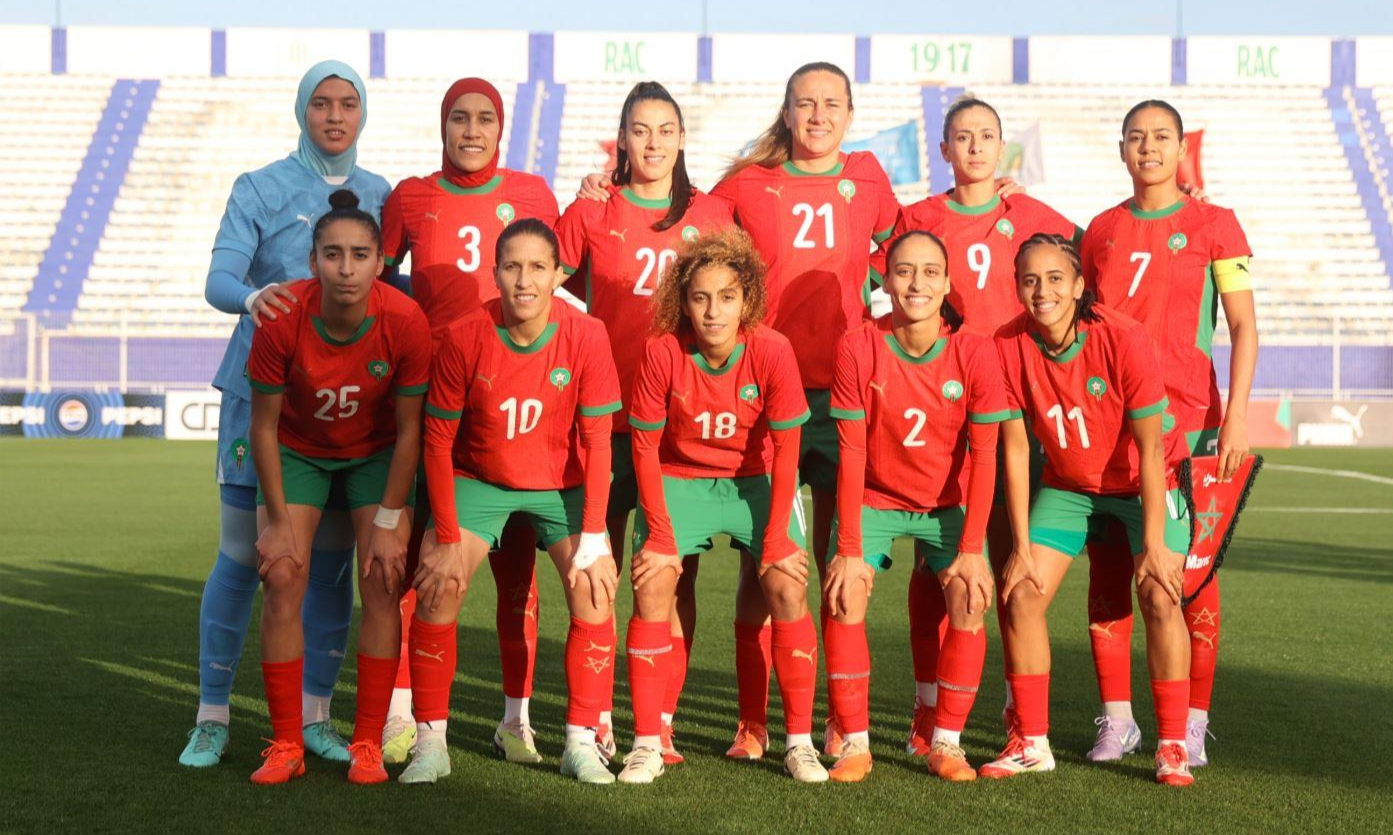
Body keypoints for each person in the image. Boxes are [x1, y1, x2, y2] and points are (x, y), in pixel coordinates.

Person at [181, 61, 390, 768]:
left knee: (329, 563)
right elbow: (219, 278)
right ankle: (212, 716)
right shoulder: (261, 186)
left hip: (344, 407)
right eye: (321, 103)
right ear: (302, 111)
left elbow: (399, 286)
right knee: (247, 554)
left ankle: (314, 717)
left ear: (362, 113)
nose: (334, 116)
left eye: (347, 103)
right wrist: (252, 297)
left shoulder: (383, 195)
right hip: (261, 395)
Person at [887, 97, 1081, 756]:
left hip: (1019, 408)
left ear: (1002, 147)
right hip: (944, 409)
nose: (974, 147)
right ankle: (928, 709)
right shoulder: (919, 217)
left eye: (986, 136)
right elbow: (878, 282)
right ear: (944, 149)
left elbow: (1098, 255)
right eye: (962, 137)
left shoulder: (1032, 214)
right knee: (935, 566)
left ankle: (1016, 715)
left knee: (1006, 564)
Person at [400, 219, 623, 785]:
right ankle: (431, 741)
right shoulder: (464, 335)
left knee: (594, 587)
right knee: (438, 583)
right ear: (495, 273)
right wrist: (445, 535)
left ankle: (580, 742)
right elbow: (438, 441)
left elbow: (598, 441)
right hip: (481, 479)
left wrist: (594, 536)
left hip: (562, 484)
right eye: (512, 267)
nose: (525, 280)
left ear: (559, 275)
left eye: (538, 267)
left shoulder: (587, 334)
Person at [378, 77, 561, 764]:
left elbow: (557, 278)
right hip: (432, 404)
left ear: (501, 127)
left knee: (518, 576)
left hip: (513, 407)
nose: (472, 129)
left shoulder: (533, 194)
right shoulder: (410, 196)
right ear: (443, 125)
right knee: (420, 564)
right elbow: (378, 280)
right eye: (460, 117)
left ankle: (515, 719)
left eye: (485, 117)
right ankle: (401, 712)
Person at [554, 80, 734, 766]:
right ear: (622, 138)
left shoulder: (712, 214)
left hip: (678, 431)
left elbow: (737, 305)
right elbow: (539, 282)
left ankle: (658, 722)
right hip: (602, 421)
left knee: (673, 575)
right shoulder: (593, 208)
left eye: (664, 130)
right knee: (594, 572)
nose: (652, 143)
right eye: (640, 129)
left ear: (681, 138)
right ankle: (597, 719)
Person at [1079, 100, 1257, 767]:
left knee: (1191, 579)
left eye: (1160, 137)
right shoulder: (1100, 230)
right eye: (1135, 137)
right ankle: (1118, 720)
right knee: (1109, 570)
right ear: (1121, 149)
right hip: (1108, 430)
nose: (1147, 147)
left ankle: (1191, 722)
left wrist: (1234, 415)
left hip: (1190, 429)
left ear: (1182, 149)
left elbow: (1243, 326)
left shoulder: (1217, 224)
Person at [982, 233, 1195, 787]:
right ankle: (1032, 743)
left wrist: (1154, 545)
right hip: (1070, 486)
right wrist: (1021, 547)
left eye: (1055, 278)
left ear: (1079, 286)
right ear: (1017, 288)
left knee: (1159, 593)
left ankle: (1173, 743)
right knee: (1020, 594)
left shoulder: (1122, 337)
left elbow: (1151, 448)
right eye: (1030, 280)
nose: (1042, 291)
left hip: (1143, 483)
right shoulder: (1008, 343)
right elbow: (1016, 448)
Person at [244, 190, 430, 785]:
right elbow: (263, 426)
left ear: (380, 262)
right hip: (299, 451)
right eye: (332, 254)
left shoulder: (405, 321)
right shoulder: (282, 320)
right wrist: (278, 522)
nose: (345, 268)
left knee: (383, 576)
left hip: (374, 456)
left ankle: (368, 743)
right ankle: (286, 744)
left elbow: (410, 431)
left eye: (359, 255)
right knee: (281, 575)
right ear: (313, 261)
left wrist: (389, 521)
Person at [624, 227, 822, 783]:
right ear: (683, 302)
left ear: (747, 300)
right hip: (679, 477)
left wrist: (777, 537)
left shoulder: (772, 349)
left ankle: (796, 742)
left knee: (785, 584)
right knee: (654, 583)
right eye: (701, 297)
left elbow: (788, 447)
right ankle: (649, 739)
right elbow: (644, 446)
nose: (713, 311)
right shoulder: (663, 351)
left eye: (727, 297)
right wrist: (660, 534)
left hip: (755, 478)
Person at [823, 230, 1008, 782]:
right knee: (844, 593)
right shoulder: (859, 345)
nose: (917, 283)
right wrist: (849, 548)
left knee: (970, 595)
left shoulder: (975, 351)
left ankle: (946, 742)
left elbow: (986, 454)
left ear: (948, 283)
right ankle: (854, 743)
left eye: (930, 272)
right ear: (885, 280)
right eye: (904, 271)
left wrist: (971, 550)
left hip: (946, 505)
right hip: (874, 497)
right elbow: (851, 451)